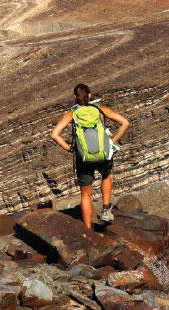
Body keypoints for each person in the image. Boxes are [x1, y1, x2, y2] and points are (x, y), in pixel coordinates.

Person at [49, 83, 130, 229]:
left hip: (84, 158)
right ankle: (106, 210)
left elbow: (54, 134)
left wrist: (69, 148)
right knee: (106, 176)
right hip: (103, 154)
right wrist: (113, 140)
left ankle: (88, 230)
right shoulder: (100, 110)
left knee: (86, 194)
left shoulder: (72, 114)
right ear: (90, 95)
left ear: (74, 97)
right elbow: (125, 123)